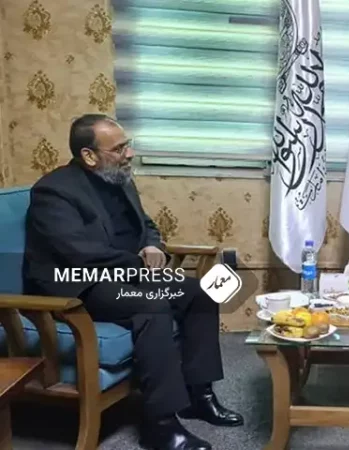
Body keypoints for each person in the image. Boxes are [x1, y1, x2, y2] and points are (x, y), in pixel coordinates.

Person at [23, 114, 243, 450]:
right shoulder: (53, 191)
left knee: (200, 292)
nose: (129, 154)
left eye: (128, 145)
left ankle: (199, 395)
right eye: (119, 148)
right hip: (80, 284)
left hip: (125, 273)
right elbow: (78, 253)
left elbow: (146, 225)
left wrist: (153, 246)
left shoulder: (119, 178)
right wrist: (138, 264)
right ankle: (161, 425)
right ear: (89, 155)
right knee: (152, 305)